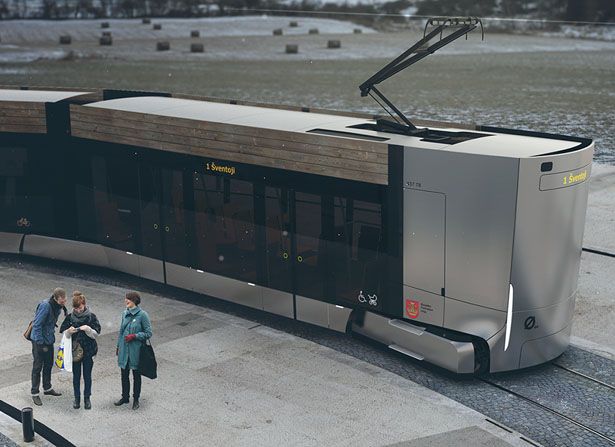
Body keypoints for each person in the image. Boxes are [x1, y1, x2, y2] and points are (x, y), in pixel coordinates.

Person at [59, 292, 101, 410]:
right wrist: (68, 331)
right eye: (75, 308)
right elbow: (63, 332)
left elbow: (96, 333)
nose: (77, 310)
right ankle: (77, 399)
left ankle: (87, 398)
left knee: (87, 376)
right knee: (76, 377)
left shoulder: (91, 316)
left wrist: (88, 329)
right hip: (75, 351)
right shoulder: (70, 317)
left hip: (89, 351)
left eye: (80, 307)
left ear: (84, 305)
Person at [114, 291, 152, 410]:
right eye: (125, 299)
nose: (126, 301)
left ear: (134, 301)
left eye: (128, 299)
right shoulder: (124, 313)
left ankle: (136, 399)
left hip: (136, 350)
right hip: (124, 349)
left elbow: (148, 333)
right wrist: (118, 346)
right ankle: (125, 397)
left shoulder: (143, 315)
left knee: (136, 375)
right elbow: (121, 331)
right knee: (124, 375)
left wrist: (135, 336)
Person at [30, 287, 67, 406]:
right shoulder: (46, 306)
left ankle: (47, 388)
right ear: (56, 298)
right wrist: (40, 343)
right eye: (62, 301)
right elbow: (37, 325)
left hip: (49, 340)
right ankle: (35, 393)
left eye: (64, 300)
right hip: (39, 341)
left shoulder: (58, 306)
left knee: (48, 365)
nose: (63, 303)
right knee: (37, 367)